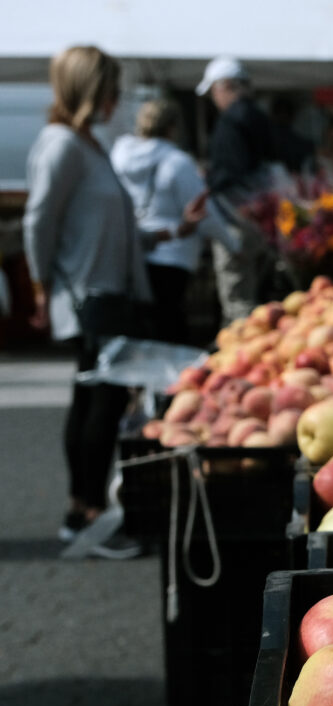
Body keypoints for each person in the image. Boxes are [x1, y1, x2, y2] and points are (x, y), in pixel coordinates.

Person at [24, 46, 205, 557]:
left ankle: (80, 509)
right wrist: (43, 286)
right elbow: (41, 221)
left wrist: (174, 230)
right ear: (91, 88)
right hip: (89, 295)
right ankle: (87, 512)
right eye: (110, 87)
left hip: (106, 291)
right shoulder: (62, 145)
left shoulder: (88, 145)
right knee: (98, 404)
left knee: (95, 401)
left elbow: (116, 232)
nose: (117, 98)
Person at [111, 99, 233, 347]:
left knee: (145, 323)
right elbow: (203, 210)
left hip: (136, 248)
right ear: (173, 127)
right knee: (169, 324)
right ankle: (167, 381)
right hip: (173, 252)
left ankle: (145, 377)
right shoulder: (177, 162)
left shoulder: (119, 156)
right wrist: (233, 245)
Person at [198, 55, 278, 323]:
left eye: (213, 91)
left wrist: (208, 180)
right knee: (259, 291)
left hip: (234, 219)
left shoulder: (230, 122)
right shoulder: (259, 117)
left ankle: (240, 347)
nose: (214, 99)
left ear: (225, 87)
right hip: (262, 218)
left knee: (238, 296)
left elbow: (230, 171)